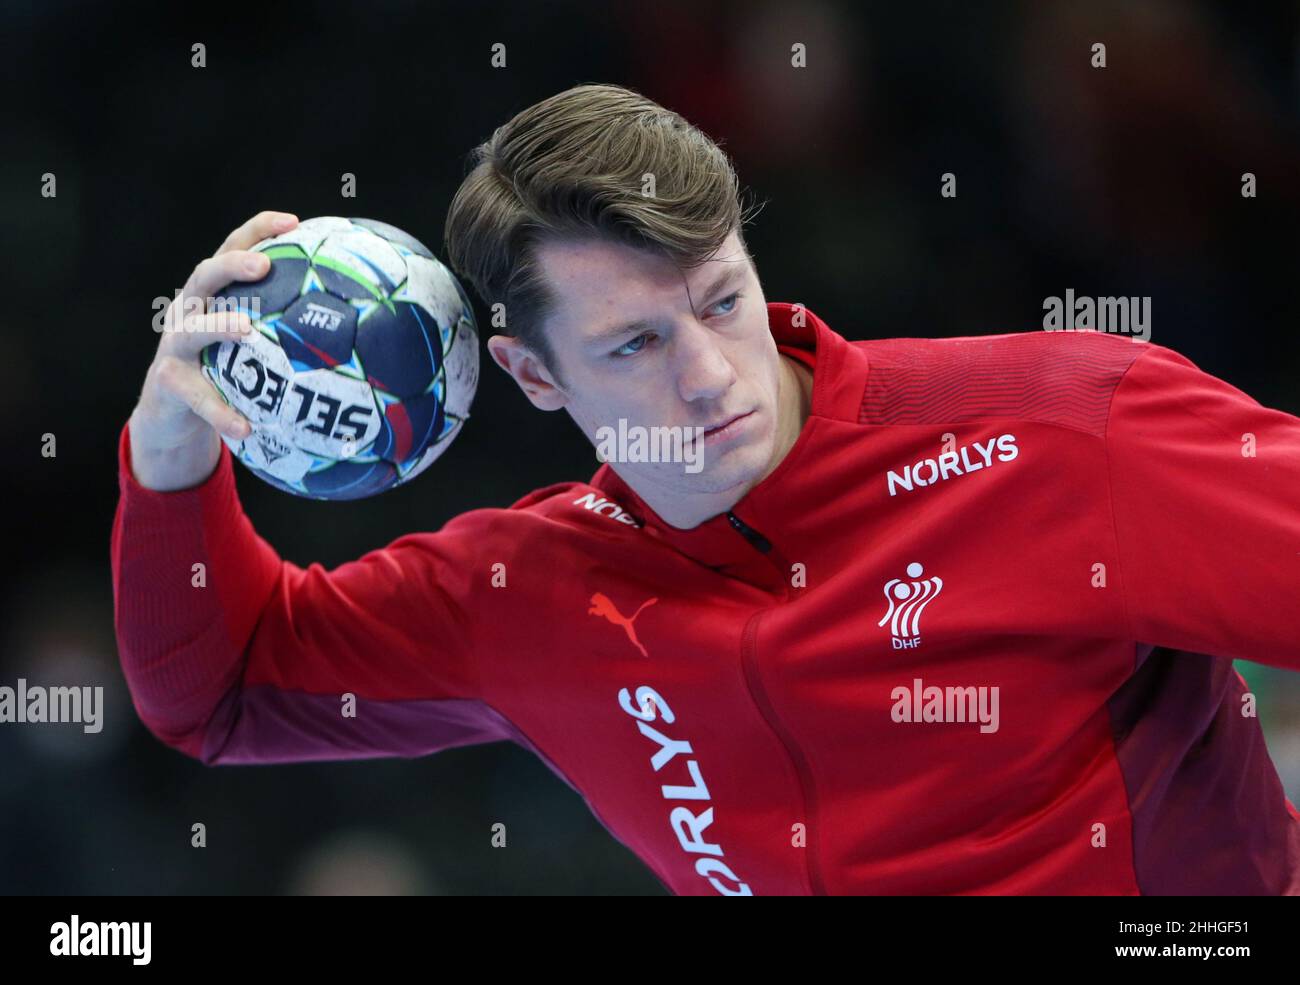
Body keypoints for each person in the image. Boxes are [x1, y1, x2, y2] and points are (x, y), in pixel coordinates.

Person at [112, 83, 1300, 895]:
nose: (708, 375)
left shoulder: (1061, 427)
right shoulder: (523, 594)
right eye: (632, 345)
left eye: (721, 300)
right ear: (531, 373)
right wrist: (170, 462)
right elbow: (219, 691)